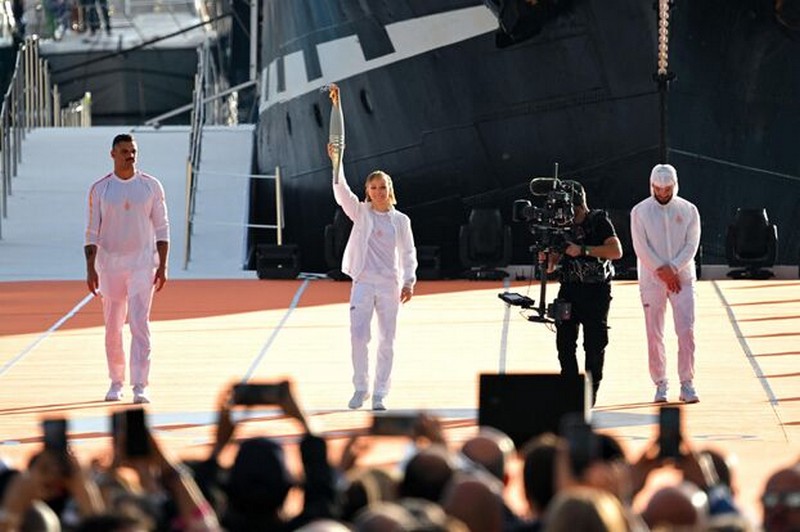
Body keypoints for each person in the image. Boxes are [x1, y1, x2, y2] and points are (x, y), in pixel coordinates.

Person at [327, 86, 417, 412]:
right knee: (358, 336)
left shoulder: (400, 221)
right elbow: (340, 190)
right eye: (373, 188)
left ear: (389, 191)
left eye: (382, 188)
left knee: (387, 341)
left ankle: (380, 393)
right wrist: (336, 162)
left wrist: (409, 281)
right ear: (367, 191)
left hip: (389, 284)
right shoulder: (361, 213)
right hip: (363, 281)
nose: (378, 192)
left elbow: (408, 253)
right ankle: (360, 387)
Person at [84, 133, 169, 404]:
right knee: (112, 327)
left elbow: (162, 226)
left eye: (133, 151)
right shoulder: (100, 189)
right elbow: (91, 231)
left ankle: (140, 385)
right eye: (124, 151)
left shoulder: (151, 186)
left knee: (139, 323)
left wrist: (163, 265)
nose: (129, 156)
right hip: (109, 266)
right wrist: (90, 268)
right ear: (112, 154)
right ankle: (116, 381)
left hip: (143, 265)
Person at [545, 181, 622, 406]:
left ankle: (590, 393)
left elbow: (616, 251)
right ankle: (570, 390)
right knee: (565, 342)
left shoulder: (598, 221)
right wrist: (548, 258)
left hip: (596, 291)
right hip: (569, 289)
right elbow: (551, 265)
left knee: (594, 344)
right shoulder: (560, 225)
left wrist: (584, 250)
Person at [630, 163, 701, 404]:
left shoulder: (689, 210)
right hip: (652, 279)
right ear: (651, 186)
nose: (662, 193)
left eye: (667, 189)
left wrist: (674, 269)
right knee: (654, 333)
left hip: (683, 279)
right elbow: (641, 248)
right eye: (658, 189)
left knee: (686, 331)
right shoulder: (639, 212)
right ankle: (660, 383)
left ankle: (687, 383)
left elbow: (691, 245)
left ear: (675, 186)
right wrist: (663, 272)